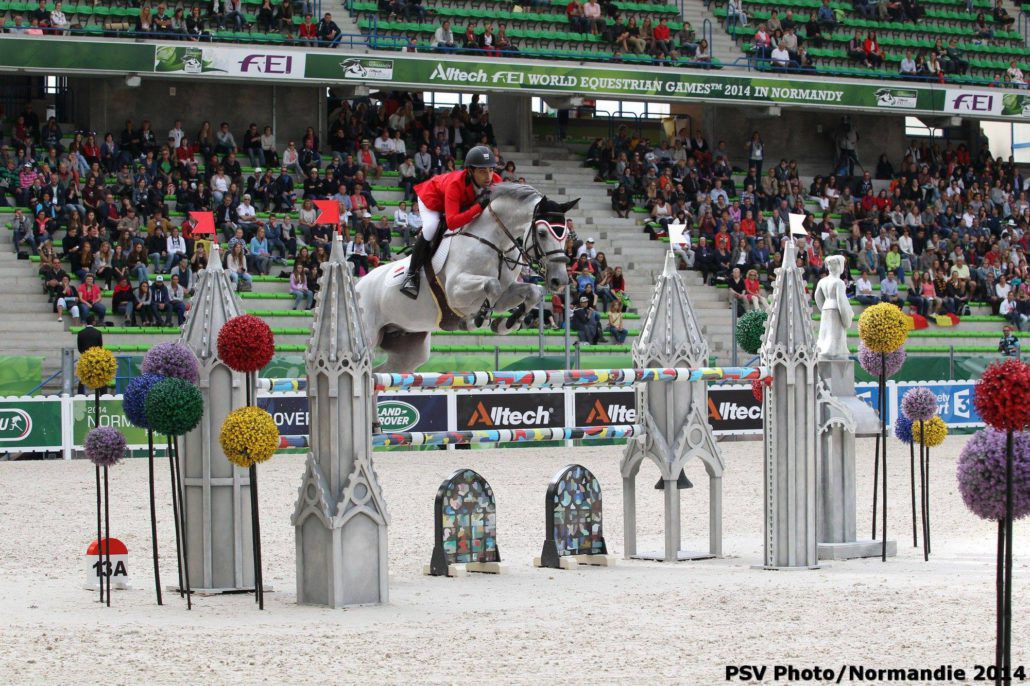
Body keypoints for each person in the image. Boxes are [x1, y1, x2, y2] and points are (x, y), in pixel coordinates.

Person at [400, 145, 501, 299]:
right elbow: (453, 222)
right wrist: (479, 208)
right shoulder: (456, 184)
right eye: (482, 171)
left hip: (459, 203)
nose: (489, 176)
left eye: (491, 170)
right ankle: (411, 275)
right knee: (431, 228)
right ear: (470, 171)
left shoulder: (495, 180)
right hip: (433, 199)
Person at [76, 314, 105, 395]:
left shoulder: (80, 333)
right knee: (100, 377)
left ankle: (80, 394)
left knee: (83, 378)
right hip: (96, 359)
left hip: (85, 358)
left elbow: (79, 347)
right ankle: (103, 395)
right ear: (93, 322)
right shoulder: (98, 333)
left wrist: (85, 354)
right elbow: (100, 346)